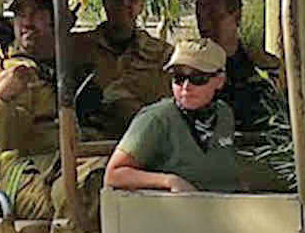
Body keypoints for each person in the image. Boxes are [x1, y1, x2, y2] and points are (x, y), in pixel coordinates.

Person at [0, 0, 106, 233]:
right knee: (84, 184)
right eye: (21, 14)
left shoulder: (78, 66)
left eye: (37, 13)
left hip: (81, 156)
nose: (27, 22)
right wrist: (4, 98)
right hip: (28, 172)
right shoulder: (7, 74)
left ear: (57, 20)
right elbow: (0, 139)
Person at [105, 39, 248, 193]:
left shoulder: (224, 114)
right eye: (178, 78)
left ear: (220, 80)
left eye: (198, 78)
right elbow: (114, 174)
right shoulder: (157, 119)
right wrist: (169, 181)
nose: (186, 87)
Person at [72, 0, 174, 135]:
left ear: (141, 6)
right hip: (90, 145)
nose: (124, 3)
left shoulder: (162, 54)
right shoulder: (77, 47)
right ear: (105, 3)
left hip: (147, 142)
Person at [192, 0, 281, 132]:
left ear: (237, 17)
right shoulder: (190, 70)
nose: (205, 26)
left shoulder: (262, 65)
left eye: (214, 17)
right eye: (200, 18)